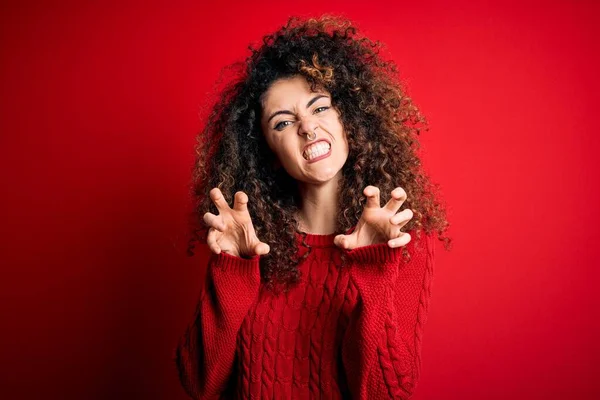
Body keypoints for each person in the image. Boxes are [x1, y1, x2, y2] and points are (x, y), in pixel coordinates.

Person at [174, 14, 451, 399]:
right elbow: (199, 383)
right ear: (269, 153)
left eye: (319, 108)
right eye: (283, 123)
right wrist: (233, 272)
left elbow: (386, 392)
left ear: (348, 119)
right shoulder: (249, 241)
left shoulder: (398, 239)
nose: (307, 127)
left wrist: (373, 270)